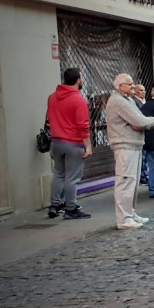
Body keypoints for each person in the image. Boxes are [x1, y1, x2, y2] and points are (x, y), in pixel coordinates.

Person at [104, 74, 154, 229]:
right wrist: (152, 121)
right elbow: (139, 121)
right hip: (124, 145)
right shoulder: (119, 101)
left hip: (133, 144)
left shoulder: (127, 100)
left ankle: (130, 213)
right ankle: (124, 219)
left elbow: (139, 119)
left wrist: (142, 123)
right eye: (130, 84)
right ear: (120, 86)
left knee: (132, 182)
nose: (133, 87)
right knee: (126, 181)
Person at [47, 68, 93, 219]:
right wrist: (88, 144)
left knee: (58, 174)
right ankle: (71, 209)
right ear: (79, 80)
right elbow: (83, 125)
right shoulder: (79, 100)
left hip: (56, 142)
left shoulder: (52, 97)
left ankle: (54, 205)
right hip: (73, 143)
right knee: (72, 178)